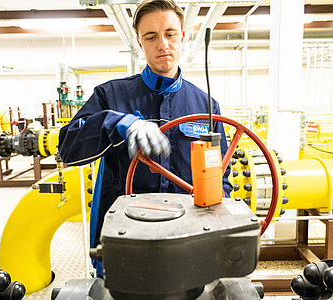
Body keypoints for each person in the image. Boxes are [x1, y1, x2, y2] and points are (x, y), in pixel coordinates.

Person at [58, 0, 233, 276]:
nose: (162, 44)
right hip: (126, 238)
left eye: (170, 33)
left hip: (189, 239)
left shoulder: (207, 105)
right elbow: (67, 146)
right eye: (151, 37)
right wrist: (118, 123)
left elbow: (220, 178)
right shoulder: (110, 96)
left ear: (182, 37)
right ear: (140, 43)